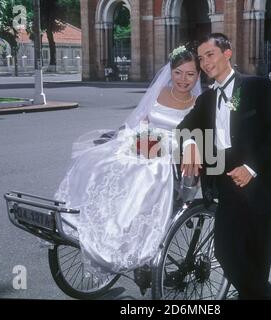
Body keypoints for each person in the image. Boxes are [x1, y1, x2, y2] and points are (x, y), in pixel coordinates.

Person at [54, 45, 201, 280]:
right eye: (178, 72)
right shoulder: (159, 92)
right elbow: (141, 120)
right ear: (170, 72)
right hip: (145, 142)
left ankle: (129, 238)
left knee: (147, 173)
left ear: (198, 75)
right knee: (100, 160)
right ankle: (95, 221)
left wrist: (187, 144)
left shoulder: (198, 102)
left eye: (190, 74)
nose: (183, 79)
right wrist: (136, 136)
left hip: (171, 152)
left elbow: (196, 134)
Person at [177, 33, 271, 299]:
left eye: (210, 54)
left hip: (260, 184)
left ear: (227, 53)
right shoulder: (206, 100)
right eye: (201, 58)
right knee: (225, 252)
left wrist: (250, 168)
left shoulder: (257, 87)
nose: (205, 63)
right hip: (226, 185)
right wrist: (190, 145)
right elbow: (183, 128)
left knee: (257, 256)